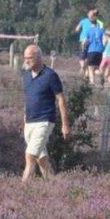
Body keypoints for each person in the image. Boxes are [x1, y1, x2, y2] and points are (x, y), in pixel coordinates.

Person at [20, 44, 69, 180]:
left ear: (39, 57)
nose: (26, 61)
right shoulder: (26, 75)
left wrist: (65, 124)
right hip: (30, 121)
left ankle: (21, 191)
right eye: (25, 58)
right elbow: (28, 98)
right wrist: (24, 117)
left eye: (30, 58)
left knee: (30, 156)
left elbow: (61, 99)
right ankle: (55, 187)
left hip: (44, 121)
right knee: (41, 159)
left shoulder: (50, 75)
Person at [77, 8, 108, 87]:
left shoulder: (89, 31)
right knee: (96, 68)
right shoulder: (101, 30)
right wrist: (103, 47)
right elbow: (105, 40)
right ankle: (101, 74)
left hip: (91, 50)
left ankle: (92, 82)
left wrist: (83, 46)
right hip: (100, 51)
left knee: (90, 68)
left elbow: (85, 41)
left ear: (90, 23)